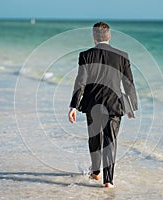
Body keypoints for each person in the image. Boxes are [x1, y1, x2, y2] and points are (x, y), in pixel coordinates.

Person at [68, 22, 138, 188]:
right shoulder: (122, 55)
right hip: (115, 104)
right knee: (110, 141)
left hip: (92, 104)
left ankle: (95, 172)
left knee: (94, 138)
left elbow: (81, 82)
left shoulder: (85, 55)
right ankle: (109, 181)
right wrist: (131, 106)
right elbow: (129, 83)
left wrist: (73, 106)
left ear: (94, 37)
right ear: (109, 36)